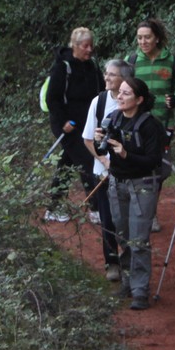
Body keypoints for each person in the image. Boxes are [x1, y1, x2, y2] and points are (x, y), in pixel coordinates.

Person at [100, 75, 166, 310]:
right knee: (122, 236)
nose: (120, 96)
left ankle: (140, 290)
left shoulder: (151, 126)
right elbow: (104, 147)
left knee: (138, 239)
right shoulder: (114, 118)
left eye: (126, 93)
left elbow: (153, 160)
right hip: (117, 183)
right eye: (120, 92)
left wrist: (125, 154)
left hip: (142, 185)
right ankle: (128, 281)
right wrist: (102, 140)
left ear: (139, 100)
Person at [125, 17, 175, 232]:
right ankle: (138, 210)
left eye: (147, 37)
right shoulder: (131, 61)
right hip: (135, 124)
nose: (143, 42)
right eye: (139, 38)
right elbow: (122, 88)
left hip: (162, 124)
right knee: (135, 165)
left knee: (160, 169)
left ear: (157, 38)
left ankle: (149, 211)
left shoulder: (173, 62)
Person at [44, 27, 101, 222]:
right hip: (68, 126)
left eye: (91, 46)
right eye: (85, 46)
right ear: (75, 46)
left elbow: (100, 90)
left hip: (87, 123)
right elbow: (52, 98)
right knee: (87, 160)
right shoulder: (63, 67)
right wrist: (63, 122)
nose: (89, 50)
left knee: (67, 163)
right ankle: (96, 208)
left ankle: (53, 206)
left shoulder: (92, 66)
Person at [82, 59, 132, 282]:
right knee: (108, 220)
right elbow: (88, 139)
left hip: (129, 174)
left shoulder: (134, 102)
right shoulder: (99, 102)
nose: (107, 77)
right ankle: (111, 262)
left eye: (112, 74)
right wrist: (104, 160)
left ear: (124, 79)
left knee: (129, 220)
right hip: (103, 173)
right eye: (106, 73)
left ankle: (130, 261)